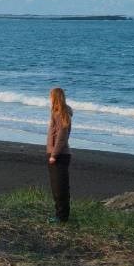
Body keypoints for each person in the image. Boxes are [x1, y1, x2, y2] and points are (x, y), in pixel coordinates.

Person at [47, 87, 74, 223]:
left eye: (50, 96)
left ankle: (62, 217)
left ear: (56, 97)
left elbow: (62, 136)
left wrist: (54, 154)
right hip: (55, 153)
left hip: (60, 155)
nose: (49, 98)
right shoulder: (55, 111)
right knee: (56, 187)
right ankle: (59, 214)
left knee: (60, 187)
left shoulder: (62, 113)